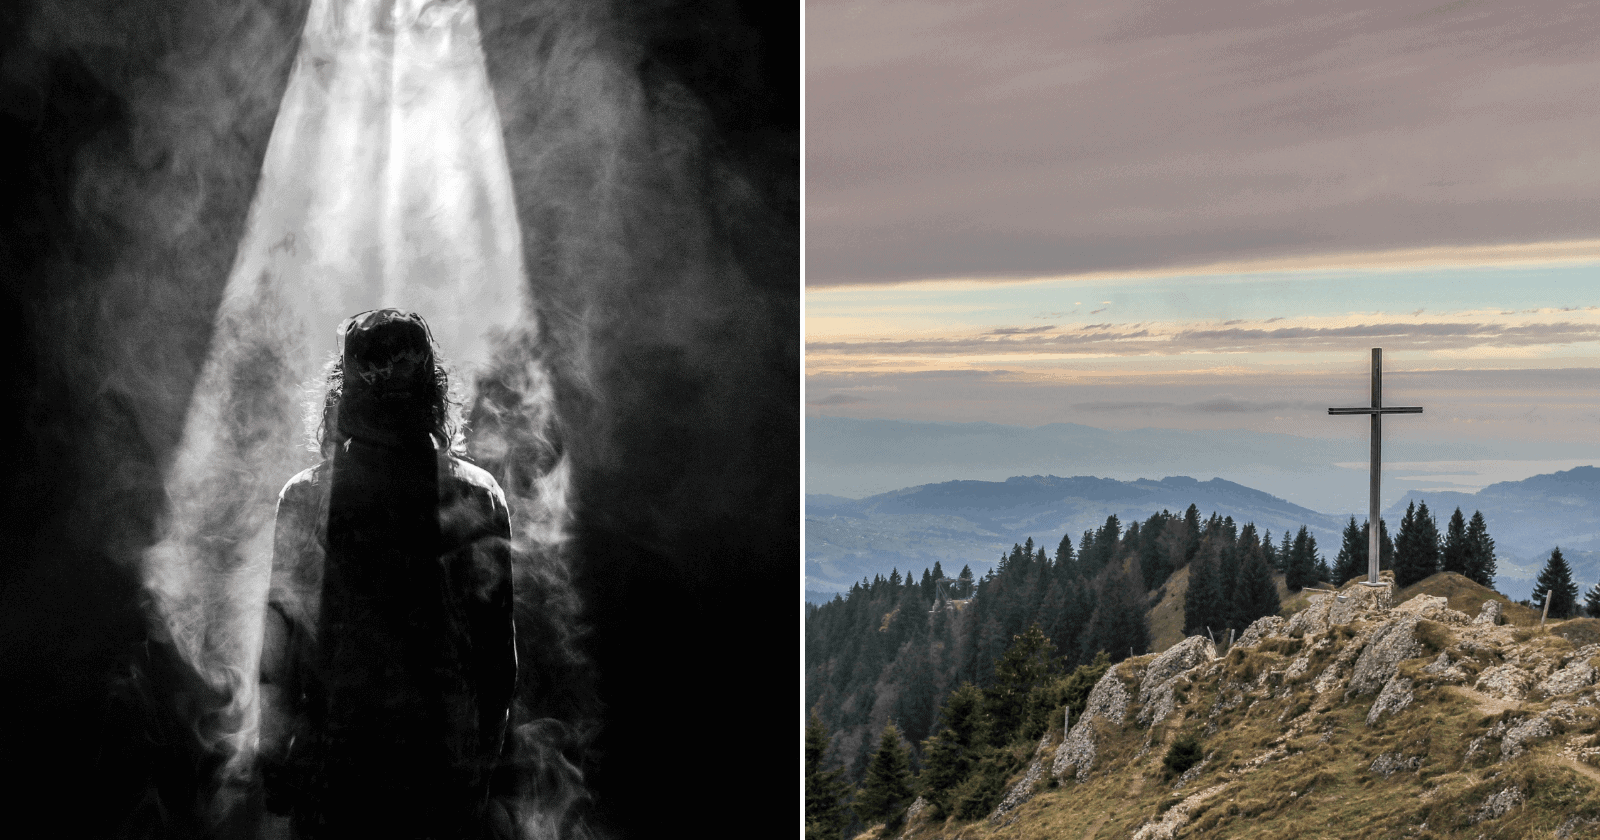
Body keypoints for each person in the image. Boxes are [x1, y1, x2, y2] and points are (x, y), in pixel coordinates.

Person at [259, 309, 517, 840]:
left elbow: (278, 654)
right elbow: (497, 661)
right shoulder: (476, 494)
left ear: (343, 391)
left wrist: (273, 755)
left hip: (340, 766)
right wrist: (483, 763)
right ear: (432, 389)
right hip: (433, 768)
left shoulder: (308, 497)